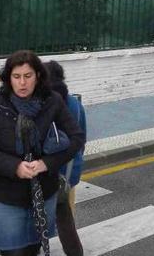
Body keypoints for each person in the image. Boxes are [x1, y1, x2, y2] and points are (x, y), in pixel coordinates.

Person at [0, 50, 86, 256]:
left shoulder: (53, 101)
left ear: (38, 76)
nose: (22, 83)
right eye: (16, 77)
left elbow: (76, 138)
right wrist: (14, 167)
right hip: (5, 195)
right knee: (13, 253)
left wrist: (46, 163)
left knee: (33, 249)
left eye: (28, 76)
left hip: (43, 192)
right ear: (8, 78)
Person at [44, 61, 86, 256]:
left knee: (36, 220)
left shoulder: (44, 102)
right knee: (66, 220)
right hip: (69, 172)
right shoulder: (75, 104)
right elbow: (82, 138)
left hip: (45, 172)